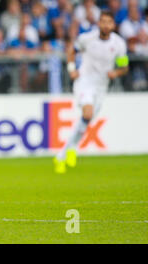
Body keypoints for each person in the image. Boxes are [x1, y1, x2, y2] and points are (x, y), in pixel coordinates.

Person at [53, 11, 129, 174]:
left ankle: (65, 152)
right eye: (103, 21)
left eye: (109, 22)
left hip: (102, 87)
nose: (105, 25)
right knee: (87, 114)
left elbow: (124, 66)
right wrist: (72, 69)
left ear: (113, 25)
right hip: (84, 82)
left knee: (85, 122)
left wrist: (116, 73)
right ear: (98, 23)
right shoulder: (87, 39)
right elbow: (71, 51)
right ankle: (68, 151)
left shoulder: (119, 44)